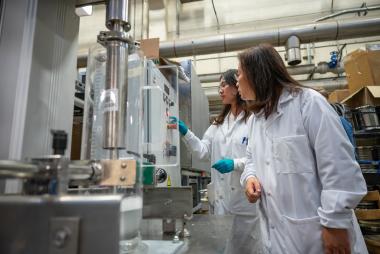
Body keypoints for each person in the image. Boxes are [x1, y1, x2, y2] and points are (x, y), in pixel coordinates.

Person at [237, 44, 367, 254]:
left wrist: (335, 222)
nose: (237, 80)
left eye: (239, 73)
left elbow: (338, 165)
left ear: (256, 74)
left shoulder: (308, 104)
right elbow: (251, 159)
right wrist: (250, 177)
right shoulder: (255, 121)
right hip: (278, 238)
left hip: (318, 234)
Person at [171, 69, 261, 254]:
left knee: (247, 249)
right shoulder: (218, 123)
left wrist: (234, 163)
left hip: (244, 203)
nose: (219, 90)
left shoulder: (253, 119)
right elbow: (203, 151)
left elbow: (259, 157)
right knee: (224, 248)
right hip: (220, 201)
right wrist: (185, 132)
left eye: (223, 85)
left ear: (236, 87)